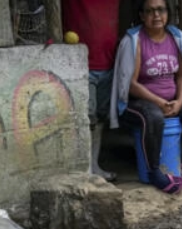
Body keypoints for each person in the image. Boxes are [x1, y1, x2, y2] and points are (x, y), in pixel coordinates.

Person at [110, 0, 182, 195]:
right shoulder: (134, 40)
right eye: (150, 11)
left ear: (167, 13)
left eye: (160, 10)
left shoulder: (176, 38)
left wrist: (178, 101)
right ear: (142, 16)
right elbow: (131, 84)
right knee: (153, 116)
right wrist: (159, 102)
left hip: (172, 100)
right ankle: (154, 172)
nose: (156, 15)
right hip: (139, 103)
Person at [62, 0, 120, 181]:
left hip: (110, 66)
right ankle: (83, 170)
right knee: (87, 118)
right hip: (82, 67)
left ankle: (93, 166)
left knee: (101, 118)